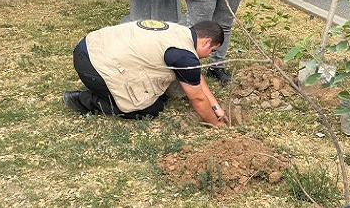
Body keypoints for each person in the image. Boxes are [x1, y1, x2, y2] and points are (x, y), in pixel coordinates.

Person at [63, 19, 228, 127]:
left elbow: (195, 77)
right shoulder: (184, 55)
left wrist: (216, 106)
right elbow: (198, 99)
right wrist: (217, 124)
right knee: (152, 108)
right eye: (212, 50)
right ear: (206, 42)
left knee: (157, 94)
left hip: (89, 46)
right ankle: (84, 100)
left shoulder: (179, 32)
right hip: (93, 68)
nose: (208, 56)